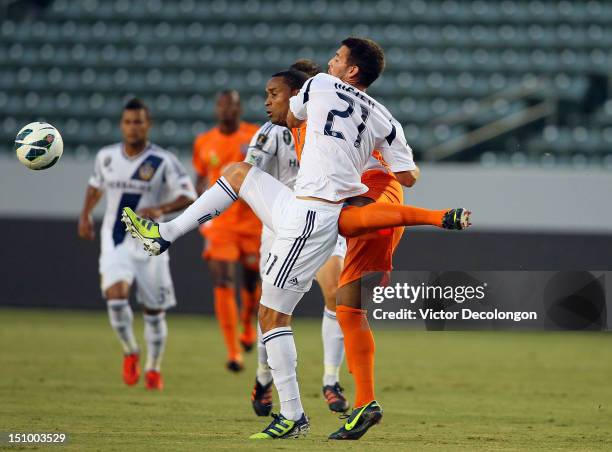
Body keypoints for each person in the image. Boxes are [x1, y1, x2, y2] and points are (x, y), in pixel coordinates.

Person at [121, 37, 466, 439]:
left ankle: (294, 415)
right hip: (307, 205)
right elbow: (408, 176)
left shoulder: (318, 85)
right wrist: (373, 157)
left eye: (337, 58)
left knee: (272, 316)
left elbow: (295, 114)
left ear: (352, 70)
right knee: (238, 174)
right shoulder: (385, 119)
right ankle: (165, 233)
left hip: (312, 217)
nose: (330, 62)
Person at [245, 63, 349, 416]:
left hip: (323, 221)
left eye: (272, 95)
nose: (266, 102)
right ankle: (263, 377)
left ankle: (331, 381)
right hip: (280, 226)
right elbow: (250, 176)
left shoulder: (330, 129)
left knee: (339, 292)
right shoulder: (271, 133)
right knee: (271, 311)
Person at [78, 98, 196, 390]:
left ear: (148, 124)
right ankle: (130, 350)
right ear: (122, 125)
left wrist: (161, 209)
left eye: (139, 121)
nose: (133, 127)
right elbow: (95, 186)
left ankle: (153, 367)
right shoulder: (106, 157)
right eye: (129, 122)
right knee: (115, 297)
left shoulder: (163, 160)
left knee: (154, 312)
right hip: (115, 239)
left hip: (150, 244)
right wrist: (84, 215)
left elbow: (189, 196)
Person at [192, 90, 261, 372]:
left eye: (232, 105)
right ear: (217, 109)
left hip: (252, 222)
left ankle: (247, 322)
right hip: (220, 223)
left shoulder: (254, 136)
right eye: (222, 105)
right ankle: (233, 352)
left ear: (239, 108)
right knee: (222, 279)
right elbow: (199, 178)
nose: (227, 110)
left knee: (250, 279)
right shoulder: (204, 142)